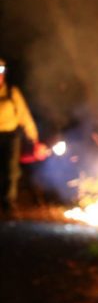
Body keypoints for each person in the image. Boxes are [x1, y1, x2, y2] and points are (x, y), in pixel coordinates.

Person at [0, 58, 39, 215]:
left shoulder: (12, 92)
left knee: (11, 170)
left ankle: (8, 202)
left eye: (0, 71)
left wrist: (33, 137)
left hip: (10, 136)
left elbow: (24, 115)